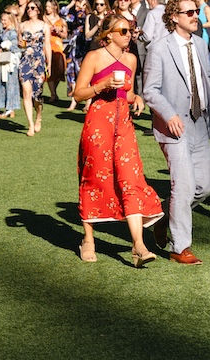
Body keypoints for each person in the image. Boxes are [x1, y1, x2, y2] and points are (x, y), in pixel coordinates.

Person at [72, 14, 163, 266]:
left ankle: (139, 245)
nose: (129, 35)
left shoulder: (132, 59)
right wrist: (101, 85)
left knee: (131, 179)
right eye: (123, 30)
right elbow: (78, 94)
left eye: (131, 30)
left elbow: (129, 91)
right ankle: (88, 240)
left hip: (123, 124)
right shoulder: (94, 57)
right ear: (108, 34)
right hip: (98, 123)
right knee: (94, 177)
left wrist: (138, 99)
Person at [141, 0, 210, 264]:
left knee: (206, 186)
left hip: (199, 124)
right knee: (183, 187)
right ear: (174, 17)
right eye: (189, 12)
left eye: (196, 11)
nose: (195, 16)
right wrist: (169, 114)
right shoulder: (159, 48)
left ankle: (165, 219)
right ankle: (179, 247)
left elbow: (205, 80)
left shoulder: (200, 45)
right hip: (173, 128)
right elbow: (149, 91)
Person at [18, 0, 51, 137]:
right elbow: (20, 44)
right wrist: (21, 45)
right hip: (25, 60)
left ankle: (38, 116)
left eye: (33, 8)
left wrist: (49, 63)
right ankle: (30, 124)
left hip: (39, 61)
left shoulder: (44, 26)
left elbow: (47, 45)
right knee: (26, 92)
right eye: (28, 8)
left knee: (37, 95)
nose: (30, 10)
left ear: (38, 10)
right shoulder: (22, 25)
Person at [0, 12, 21, 118]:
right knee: (4, 84)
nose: (3, 22)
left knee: (11, 84)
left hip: (10, 63)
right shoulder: (3, 31)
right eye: (2, 19)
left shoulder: (12, 32)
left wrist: (6, 46)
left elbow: (15, 47)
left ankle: (10, 108)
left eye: (5, 20)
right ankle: (8, 107)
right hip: (3, 62)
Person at [43, 0, 68, 104]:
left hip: (58, 46)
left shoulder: (61, 20)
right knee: (50, 69)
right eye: (46, 6)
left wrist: (58, 32)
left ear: (54, 7)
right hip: (47, 44)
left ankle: (55, 90)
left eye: (49, 6)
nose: (47, 8)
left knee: (60, 69)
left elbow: (65, 35)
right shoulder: (43, 19)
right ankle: (53, 93)